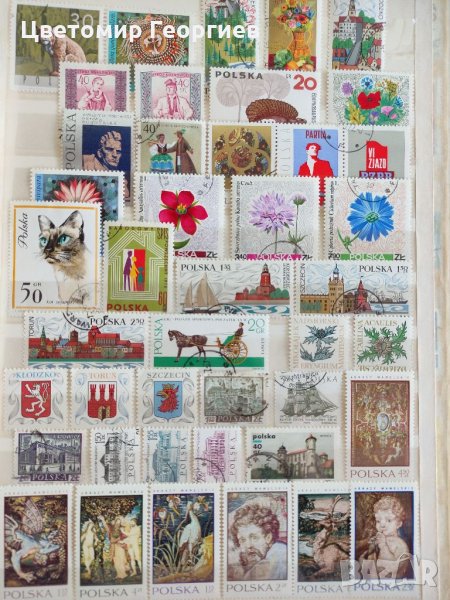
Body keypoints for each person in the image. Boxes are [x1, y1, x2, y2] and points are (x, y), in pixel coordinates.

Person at [228, 503, 287, 581]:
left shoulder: (280, 553)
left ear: (268, 537)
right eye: (243, 540)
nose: (248, 545)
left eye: (254, 538)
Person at [358, 495, 411, 579]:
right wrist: (366, 556)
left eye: (389, 520)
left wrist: (383, 546)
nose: (382, 525)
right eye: (378, 521)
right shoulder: (380, 539)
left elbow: (389, 567)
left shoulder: (399, 544)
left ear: (399, 524)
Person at [82, 130, 129, 196]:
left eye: (118, 151)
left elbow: (126, 195)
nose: (115, 155)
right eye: (109, 149)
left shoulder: (117, 175)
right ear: (100, 153)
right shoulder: (86, 162)